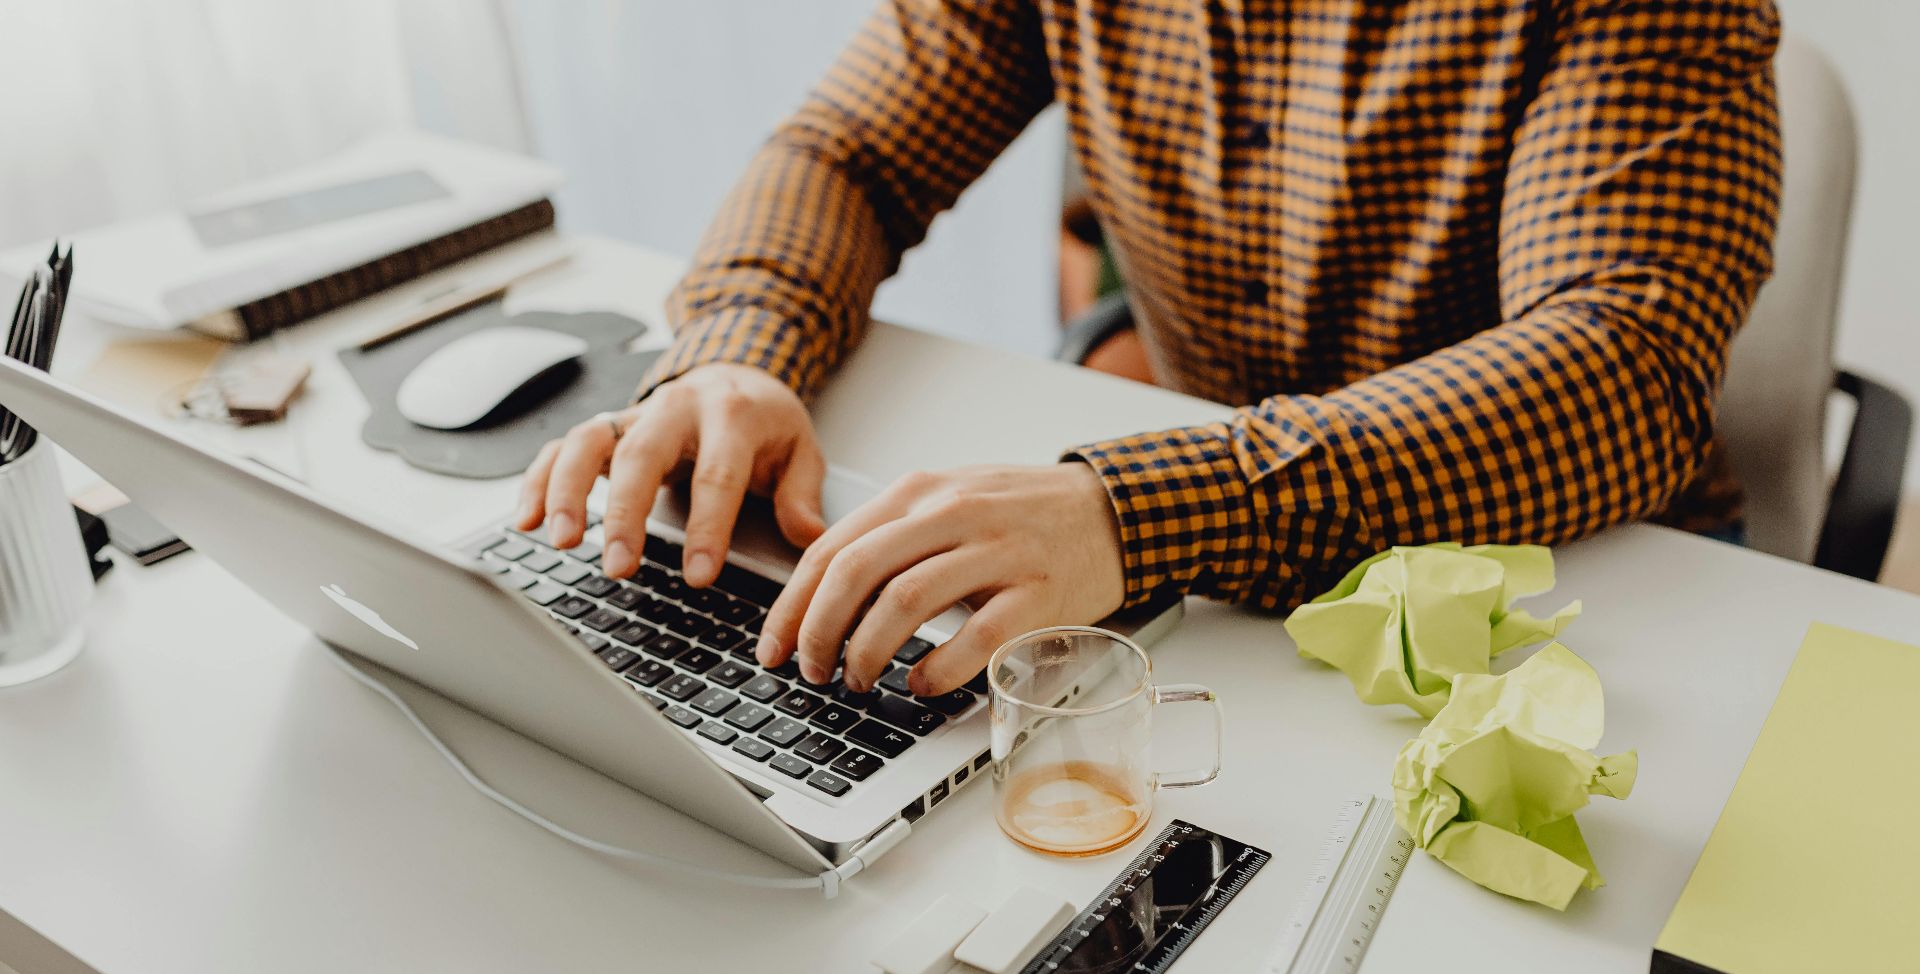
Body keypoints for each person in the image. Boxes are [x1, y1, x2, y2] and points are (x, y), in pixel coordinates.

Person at [518, 0, 1782, 699]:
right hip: (1220, 573)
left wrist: (1133, 513)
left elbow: (1623, 366)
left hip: (1570, 575)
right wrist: (742, 349)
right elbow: (847, 154)